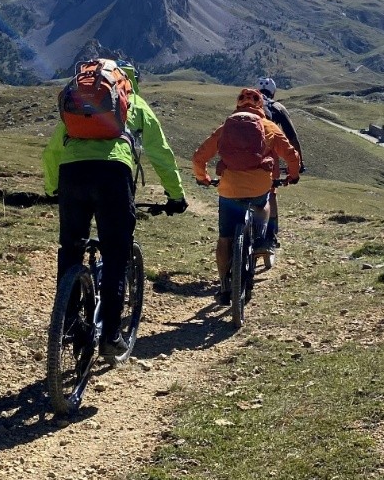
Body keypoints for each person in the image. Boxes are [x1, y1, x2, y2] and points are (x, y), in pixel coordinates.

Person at [43, 60, 187, 356]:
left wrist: (52, 188)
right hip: (113, 176)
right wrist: (175, 195)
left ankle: (67, 324)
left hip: (72, 176)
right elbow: (161, 153)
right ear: (127, 81)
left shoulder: (81, 104)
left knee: (70, 249)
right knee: (116, 254)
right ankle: (110, 335)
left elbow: (54, 149)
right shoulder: (135, 104)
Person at [192, 88, 300, 305]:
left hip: (229, 189)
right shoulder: (268, 126)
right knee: (266, 199)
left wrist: (203, 178)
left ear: (238, 106)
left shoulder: (226, 128)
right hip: (259, 186)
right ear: (260, 106)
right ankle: (260, 238)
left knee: (224, 238)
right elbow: (291, 155)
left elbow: (198, 157)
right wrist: (293, 176)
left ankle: (224, 285)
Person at [255, 76, 304, 251]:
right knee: (270, 194)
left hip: (238, 162)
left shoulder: (243, 108)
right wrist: (299, 164)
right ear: (273, 92)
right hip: (268, 162)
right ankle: (270, 237)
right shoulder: (277, 108)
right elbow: (292, 137)